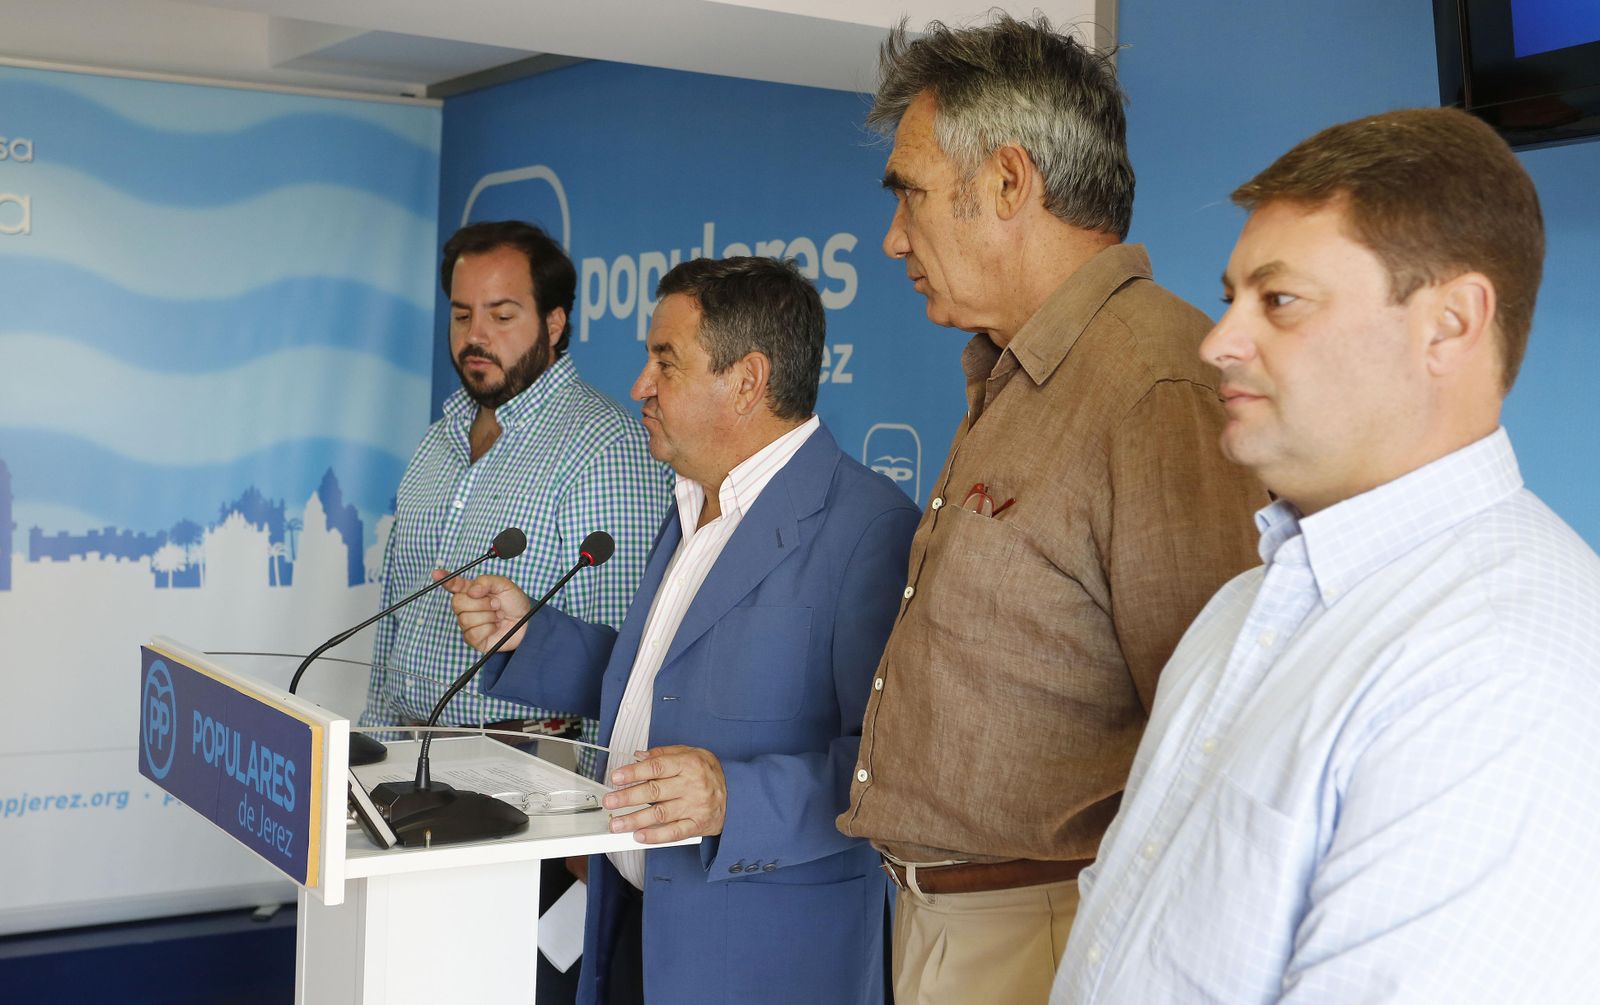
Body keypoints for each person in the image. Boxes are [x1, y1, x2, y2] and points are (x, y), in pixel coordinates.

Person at [1054, 107, 1600, 1003]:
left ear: (1450, 324)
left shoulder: (1503, 667)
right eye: (1230, 296)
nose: (1218, 340)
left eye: (1278, 301)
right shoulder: (1241, 609)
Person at [834, 14, 1267, 1003]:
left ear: (1009, 183)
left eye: (908, 193)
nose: (893, 236)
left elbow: (1207, 738)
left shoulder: (1154, 387)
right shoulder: (1020, 371)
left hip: (1049, 937)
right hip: (952, 924)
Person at [445, 256, 919, 1005]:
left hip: (761, 964)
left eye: (664, 359)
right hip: (633, 925)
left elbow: (894, 773)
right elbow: (656, 682)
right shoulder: (691, 501)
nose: (640, 383)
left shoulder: (872, 528)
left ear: (747, 380)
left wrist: (734, 797)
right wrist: (527, 636)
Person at [360, 220, 670, 1002]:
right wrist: (367, 760)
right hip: (407, 784)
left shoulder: (606, 448)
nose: (475, 336)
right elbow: (395, 617)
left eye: (502, 315)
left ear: (555, 322)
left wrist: (592, 828)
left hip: (526, 807)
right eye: (462, 314)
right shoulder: (437, 444)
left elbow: (624, 661)